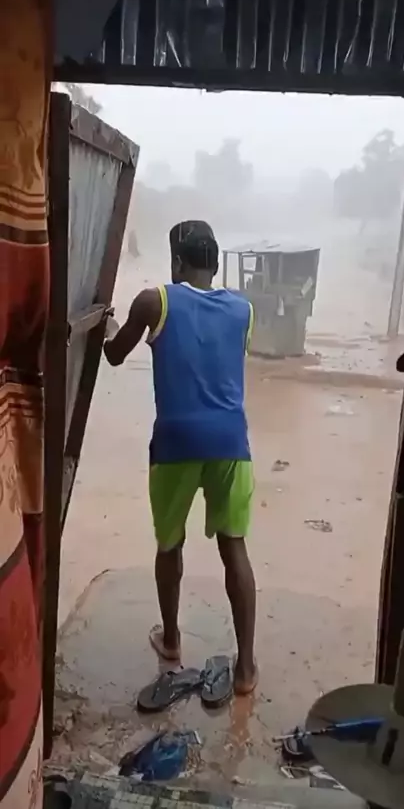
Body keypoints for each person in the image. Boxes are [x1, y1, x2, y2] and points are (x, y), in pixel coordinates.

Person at [103, 220, 257, 694]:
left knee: (169, 545)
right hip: (231, 444)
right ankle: (246, 669)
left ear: (175, 262)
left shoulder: (155, 301)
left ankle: (171, 641)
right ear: (215, 263)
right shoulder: (244, 310)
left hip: (175, 443)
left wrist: (108, 324)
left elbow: (114, 354)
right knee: (234, 548)